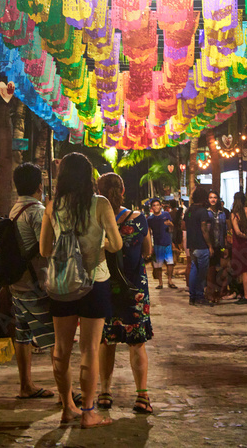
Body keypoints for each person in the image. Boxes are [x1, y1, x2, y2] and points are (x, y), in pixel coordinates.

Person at [40, 153, 122, 427]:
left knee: (61, 350)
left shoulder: (52, 206)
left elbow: (43, 250)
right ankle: (88, 413)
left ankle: (67, 407)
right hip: (95, 282)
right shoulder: (100, 204)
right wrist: (101, 247)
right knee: (89, 349)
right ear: (89, 176)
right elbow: (117, 243)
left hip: (63, 282)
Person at [97, 173, 153, 414]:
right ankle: (142, 396)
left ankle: (105, 393)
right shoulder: (139, 219)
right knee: (137, 343)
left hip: (104, 286)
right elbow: (148, 251)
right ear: (122, 191)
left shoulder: (96, 219)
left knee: (105, 342)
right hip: (134, 289)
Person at [9, 162, 55, 400]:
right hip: (36, 284)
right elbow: (46, 249)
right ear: (40, 185)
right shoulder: (36, 211)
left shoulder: (14, 208)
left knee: (23, 334)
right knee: (56, 338)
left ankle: (26, 385)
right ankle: (66, 394)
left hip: (17, 283)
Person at [184, 186, 214, 306]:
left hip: (192, 245)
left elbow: (183, 225)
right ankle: (200, 296)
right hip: (202, 246)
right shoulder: (203, 212)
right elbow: (204, 229)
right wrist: (210, 245)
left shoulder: (189, 211)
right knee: (202, 274)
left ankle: (192, 297)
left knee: (194, 270)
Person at [147, 198, 177, 289]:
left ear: (161, 206)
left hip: (167, 242)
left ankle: (170, 280)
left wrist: (170, 224)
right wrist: (149, 246)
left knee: (170, 263)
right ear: (151, 207)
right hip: (157, 244)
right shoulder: (150, 219)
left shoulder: (166, 214)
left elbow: (172, 227)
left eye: (157, 205)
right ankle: (160, 283)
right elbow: (148, 232)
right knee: (158, 265)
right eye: (154, 205)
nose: (156, 207)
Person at [230, 191, 247, 304]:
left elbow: (237, 232)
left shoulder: (235, 214)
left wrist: (246, 237)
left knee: (243, 270)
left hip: (239, 244)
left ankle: (246, 296)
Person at [206, 191, 228, 302]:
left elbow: (224, 232)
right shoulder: (206, 213)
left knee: (221, 270)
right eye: (211, 197)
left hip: (220, 245)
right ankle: (210, 292)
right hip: (210, 245)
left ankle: (218, 292)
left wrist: (225, 248)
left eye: (215, 197)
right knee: (211, 269)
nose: (213, 199)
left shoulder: (222, 213)